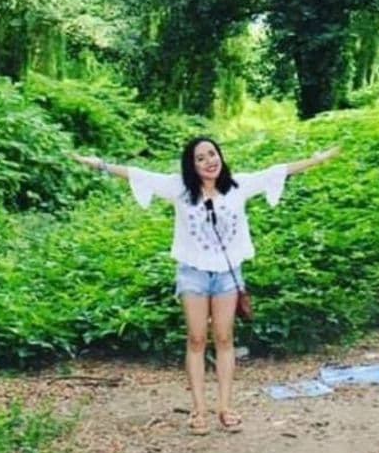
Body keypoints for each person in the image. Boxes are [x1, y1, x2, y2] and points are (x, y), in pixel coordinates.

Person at [71, 136, 339, 435]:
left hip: (227, 273)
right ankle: (198, 409)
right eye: (200, 158)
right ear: (192, 165)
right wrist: (101, 165)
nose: (209, 161)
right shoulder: (180, 189)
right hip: (192, 273)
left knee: (224, 339)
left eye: (212, 154)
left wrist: (317, 159)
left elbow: (279, 171)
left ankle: (225, 407)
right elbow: (137, 174)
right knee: (197, 339)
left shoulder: (239, 185)